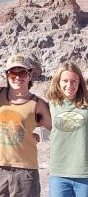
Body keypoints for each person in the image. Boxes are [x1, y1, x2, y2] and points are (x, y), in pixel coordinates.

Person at [45, 61, 88, 197]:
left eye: (74, 81)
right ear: (58, 81)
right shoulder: (51, 102)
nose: (69, 85)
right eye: (65, 81)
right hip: (59, 173)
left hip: (87, 173)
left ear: (80, 82)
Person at [0, 54, 51, 197]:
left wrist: (35, 135)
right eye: (12, 73)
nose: (17, 77)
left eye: (22, 72)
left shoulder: (37, 104)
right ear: (7, 75)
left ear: (30, 75)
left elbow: (54, 130)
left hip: (25, 172)